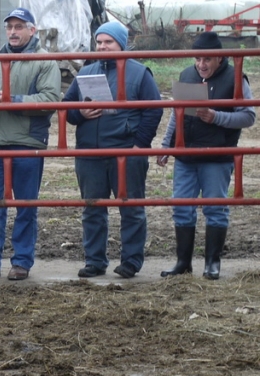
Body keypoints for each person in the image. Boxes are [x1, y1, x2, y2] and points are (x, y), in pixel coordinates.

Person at [0, 8, 61, 281]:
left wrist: (12, 100)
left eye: (19, 26)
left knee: (25, 206)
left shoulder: (45, 62)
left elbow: (50, 100)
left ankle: (21, 262)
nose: (13, 32)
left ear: (32, 30)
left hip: (26, 142)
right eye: (9, 27)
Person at [63, 21, 163, 279]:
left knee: (130, 208)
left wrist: (139, 145)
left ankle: (131, 262)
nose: (102, 46)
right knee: (92, 208)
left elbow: (154, 109)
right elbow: (67, 109)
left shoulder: (140, 73)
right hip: (89, 153)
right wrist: (80, 112)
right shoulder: (86, 71)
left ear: (121, 43)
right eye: (99, 41)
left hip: (125, 152)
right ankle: (95, 261)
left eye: (108, 41)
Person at [157, 31, 255, 280]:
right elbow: (177, 114)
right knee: (181, 207)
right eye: (198, 58)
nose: (201, 64)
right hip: (186, 154)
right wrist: (167, 145)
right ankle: (183, 263)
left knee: (215, 207)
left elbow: (249, 116)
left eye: (207, 59)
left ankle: (213, 263)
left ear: (219, 58)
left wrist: (216, 116)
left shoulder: (236, 78)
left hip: (217, 155)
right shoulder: (187, 76)